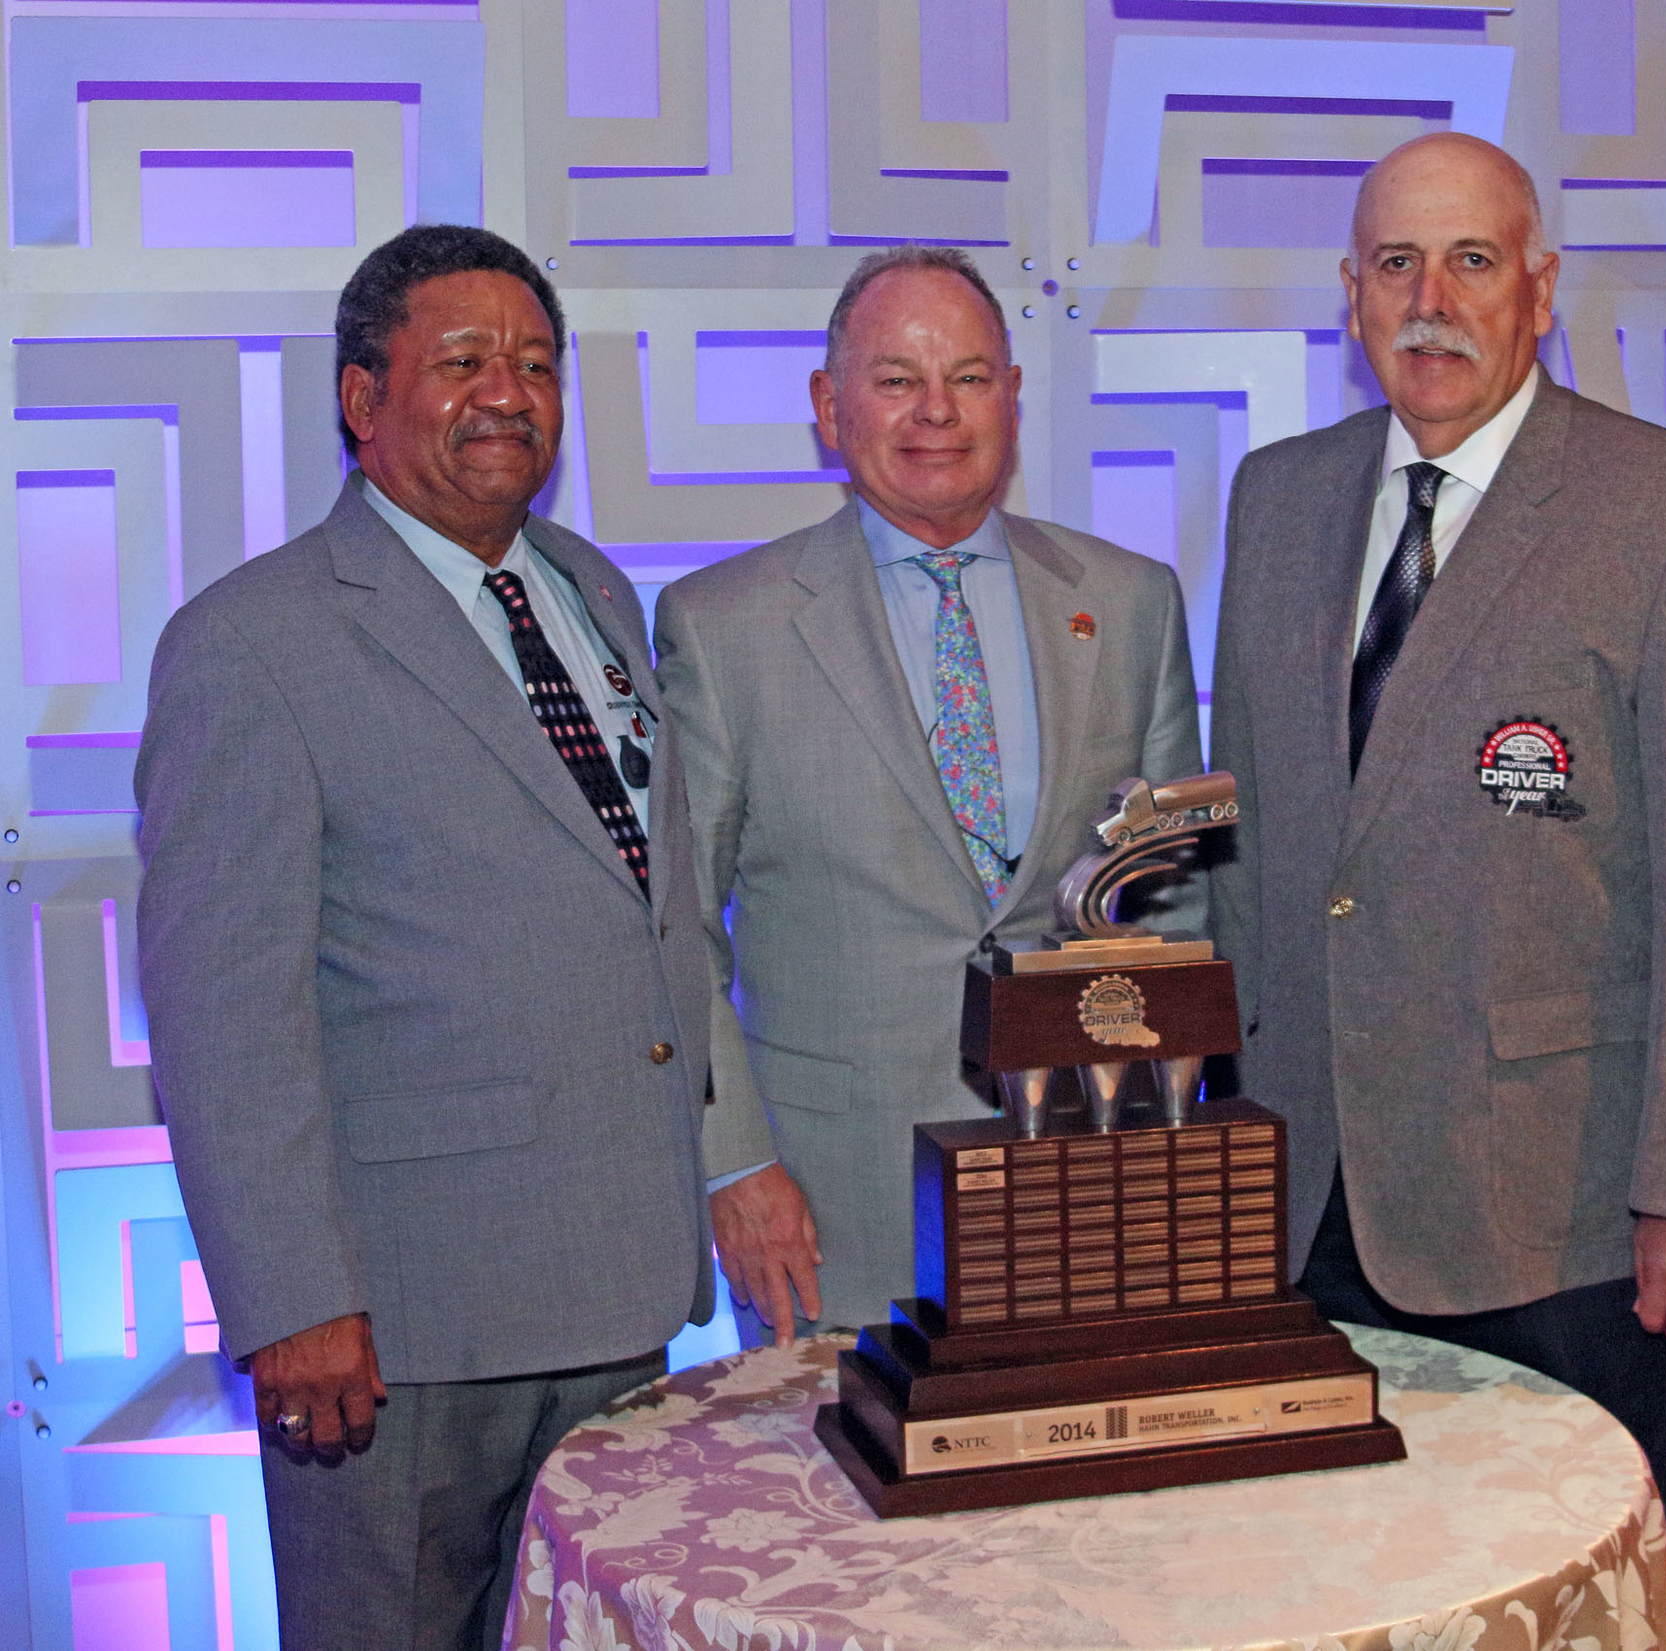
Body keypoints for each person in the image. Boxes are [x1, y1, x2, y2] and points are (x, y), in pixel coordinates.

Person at [1208, 133, 1666, 1631]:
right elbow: (1257, 850)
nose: (1432, 298)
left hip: (1574, 1220)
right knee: (1339, 1602)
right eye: (1397, 264)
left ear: (1540, 290)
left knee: (1577, 1617)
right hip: (1311, 1202)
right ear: (1352, 293)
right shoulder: (1276, 499)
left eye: (1472, 261)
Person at [135, 224, 716, 1651]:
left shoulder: (592, 589)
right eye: (462, 361)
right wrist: (293, 1299)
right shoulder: (252, 642)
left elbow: (641, 908)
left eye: (535, 363)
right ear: (361, 397)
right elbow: (222, 1013)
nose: (508, 391)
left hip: (618, 1293)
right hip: (398, 1329)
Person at [654, 246, 1204, 1340]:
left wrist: (1164, 1156)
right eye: (897, 379)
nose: (937, 411)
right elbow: (677, 930)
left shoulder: (1130, 602)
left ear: (1013, 396)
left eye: (969, 376)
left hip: (1085, 1189)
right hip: (830, 1207)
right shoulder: (724, 626)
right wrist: (734, 1163)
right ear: (829, 405)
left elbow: (1174, 907)